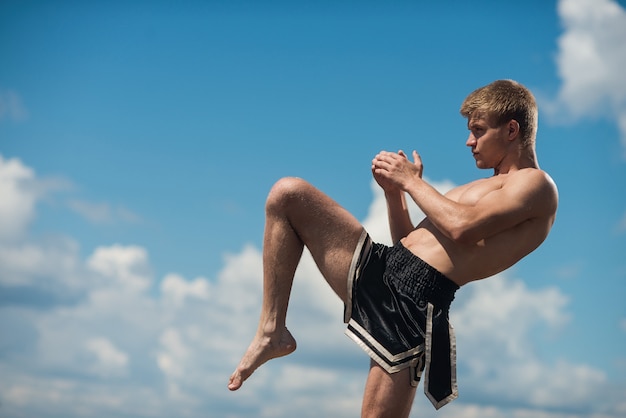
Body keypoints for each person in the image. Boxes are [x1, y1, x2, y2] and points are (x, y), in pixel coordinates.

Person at [227, 79, 558, 417]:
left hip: (414, 302)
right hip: (387, 265)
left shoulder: (536, 185)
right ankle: (272, 331)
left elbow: (462, 229)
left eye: (478, 130)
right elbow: (412, 243)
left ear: (512, 130)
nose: (469, 141)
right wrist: (394, 194)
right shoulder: (484, 186)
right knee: (288, 194)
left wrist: (411, 181)